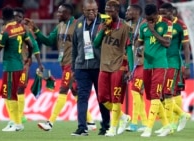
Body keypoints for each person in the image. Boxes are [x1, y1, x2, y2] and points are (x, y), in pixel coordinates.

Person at [25, 3, 97, 131]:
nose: (57, 14)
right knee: (76, 93)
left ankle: (50, 123)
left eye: (60, 12)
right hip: (64, 64)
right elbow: (48, 41)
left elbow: (87, 44)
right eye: (58, 12)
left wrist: (83, 65)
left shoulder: (79, 25)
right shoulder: (59, 26)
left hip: (74, 64)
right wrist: (36, 29)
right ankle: (91, 122)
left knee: (63, 90)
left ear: (68, 13)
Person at [93, 0, 133, 136]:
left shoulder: (125, 27)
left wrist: (130, 69)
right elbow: (96, 44)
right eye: (106, 10)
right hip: (104, 65)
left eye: (110, 10)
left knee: (116, 98)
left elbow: (129, 49)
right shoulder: (103, 25)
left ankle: (112, 128)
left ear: (117, 11)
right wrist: (103, 30)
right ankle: (123, 117)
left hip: (119, 66)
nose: (108, 12)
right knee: (102, 98)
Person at [71, 0, 110, 136]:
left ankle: (106, 126)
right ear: (83, 10)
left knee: (102, 97)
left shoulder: (105, 22)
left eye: (94, 9)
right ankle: (82, 127)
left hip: (99, 66)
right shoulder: (78, 23)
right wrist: (72, 68)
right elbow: (74, 47)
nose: (92, 12)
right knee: (82, 97)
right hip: (81, 66)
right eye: (89, 10)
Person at [136, 3, 173, 137]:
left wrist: (153, 31)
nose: (149, 21)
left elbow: (167, 43)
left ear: (157, 14)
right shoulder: (143, 25)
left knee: (156, 95)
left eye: (151, 18)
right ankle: (167, 126)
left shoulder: (167, 24)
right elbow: (138, 43)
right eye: (147, 18)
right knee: (151, 97)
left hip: (160, 64)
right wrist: (138, 50)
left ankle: (148, 128)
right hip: (147, 65)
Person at [156, 3, 191, 133]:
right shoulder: (159, 24)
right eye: (161, 13)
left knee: (171, 92)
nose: (163, 15)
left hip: (173, 63)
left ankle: (171, 124)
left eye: (165, 13)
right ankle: (181, 116)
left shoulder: (181, 26)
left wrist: (187, 65)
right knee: (160, 95)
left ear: (172, 12)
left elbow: (186, 47)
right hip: (160, 62)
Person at [124, 4, 148, 133]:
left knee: (135, 91)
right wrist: (130, 67)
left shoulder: (145, 25)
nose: (126, 12)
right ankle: (144, 123)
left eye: (129, 10)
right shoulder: (129, 27)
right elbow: (129, 48)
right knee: (138, 93)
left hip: (145, 63)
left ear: (136, 12)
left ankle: (134, 123)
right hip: (136, 64)